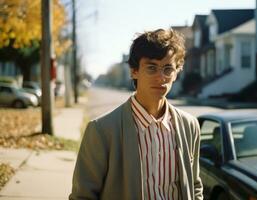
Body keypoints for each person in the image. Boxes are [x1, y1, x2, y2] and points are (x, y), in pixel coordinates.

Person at [69, 28, 203, 200]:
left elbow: (194, 186)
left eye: (168, 69)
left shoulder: (189, 126)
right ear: (134, 71)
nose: (160, 77)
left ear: (176, 73)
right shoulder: (102, 131)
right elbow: (83, 196)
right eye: (151, 68)